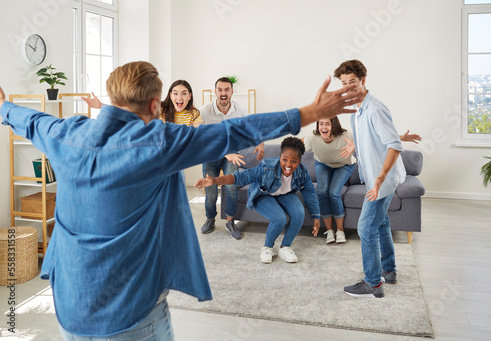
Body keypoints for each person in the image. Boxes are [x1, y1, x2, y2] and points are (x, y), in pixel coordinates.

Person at [0, 62, 361, 339]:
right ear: (156, 103)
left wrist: (2, 106)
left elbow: (27, 119)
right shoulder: (160, 143)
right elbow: (232, 132)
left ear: (111, 97)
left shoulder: (64, 132)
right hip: (133, 312)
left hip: (69, 304)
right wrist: (307, 114)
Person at [333, 59, 406, 299]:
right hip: (376, 179)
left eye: (352, 82)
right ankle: (389, 270)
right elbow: (377, 137)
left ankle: (373, 283)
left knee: (366, 227)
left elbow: (393, 145)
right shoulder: (357, 108)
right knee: (381, 222)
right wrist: (357, 144)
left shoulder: (374, 108)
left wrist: (380, 178)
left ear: (363, 80)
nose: (347, 88)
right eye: (343, 84)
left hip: (380, 181)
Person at [195, 137, 321, 264]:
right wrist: (214, 180)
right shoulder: (267, 167)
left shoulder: (302, 172)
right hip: (263, 194)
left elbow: (309, 192)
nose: (288, 165)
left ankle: (285, 247)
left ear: (299, 161)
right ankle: (267, 248)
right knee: (279, 218)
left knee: (299, 213)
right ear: (280, 157)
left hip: (284, 194)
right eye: (285, 160)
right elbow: (240, 177)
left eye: (294, 161)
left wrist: (316, 217)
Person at [198, 77, 265, 239]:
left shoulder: (239, 110)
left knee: (231, 186)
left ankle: (230, 221)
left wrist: (260, 142)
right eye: (220, 90)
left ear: (231, 92)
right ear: (215, 92)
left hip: (232, 154)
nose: (223, 93)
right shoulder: (205, 111)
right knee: (211, 190)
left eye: (226, 90)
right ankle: (210, 218)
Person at [303, 117, 356, 245]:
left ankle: (340, 230)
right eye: (321, 124)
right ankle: (329, 231)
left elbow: (366, 140)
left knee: (333, 192)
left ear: (334, 125)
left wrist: (355, 145)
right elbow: (300, 144)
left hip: (344, 165)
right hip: (323, 164)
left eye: (327, 124)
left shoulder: (346, 135)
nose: (324, 127)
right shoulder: (313, 137)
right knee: (322, 192)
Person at [82, 79, 202, 127]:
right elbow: (130, 111)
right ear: (170, 95)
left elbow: (200, 131)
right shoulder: (159, 108)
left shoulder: (193, 113)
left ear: (189, 96)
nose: (179, 97)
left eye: (184, 93)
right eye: (175, 93)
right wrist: (101, 105)